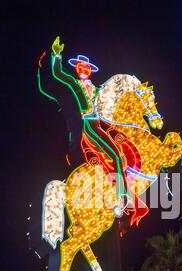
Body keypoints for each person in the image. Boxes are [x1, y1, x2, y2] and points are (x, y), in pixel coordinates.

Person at [51, 36, 129, 217]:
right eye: (81, 67)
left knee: (118, 154)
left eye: (87, 67)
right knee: (115, 155)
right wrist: (56, 56)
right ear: (77, 68)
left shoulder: (97, 88)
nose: (84, 70)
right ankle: (121, 197)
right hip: (87, 124)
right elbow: (58, 74)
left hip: (99, 123)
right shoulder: (75, 84)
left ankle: (118, 187)